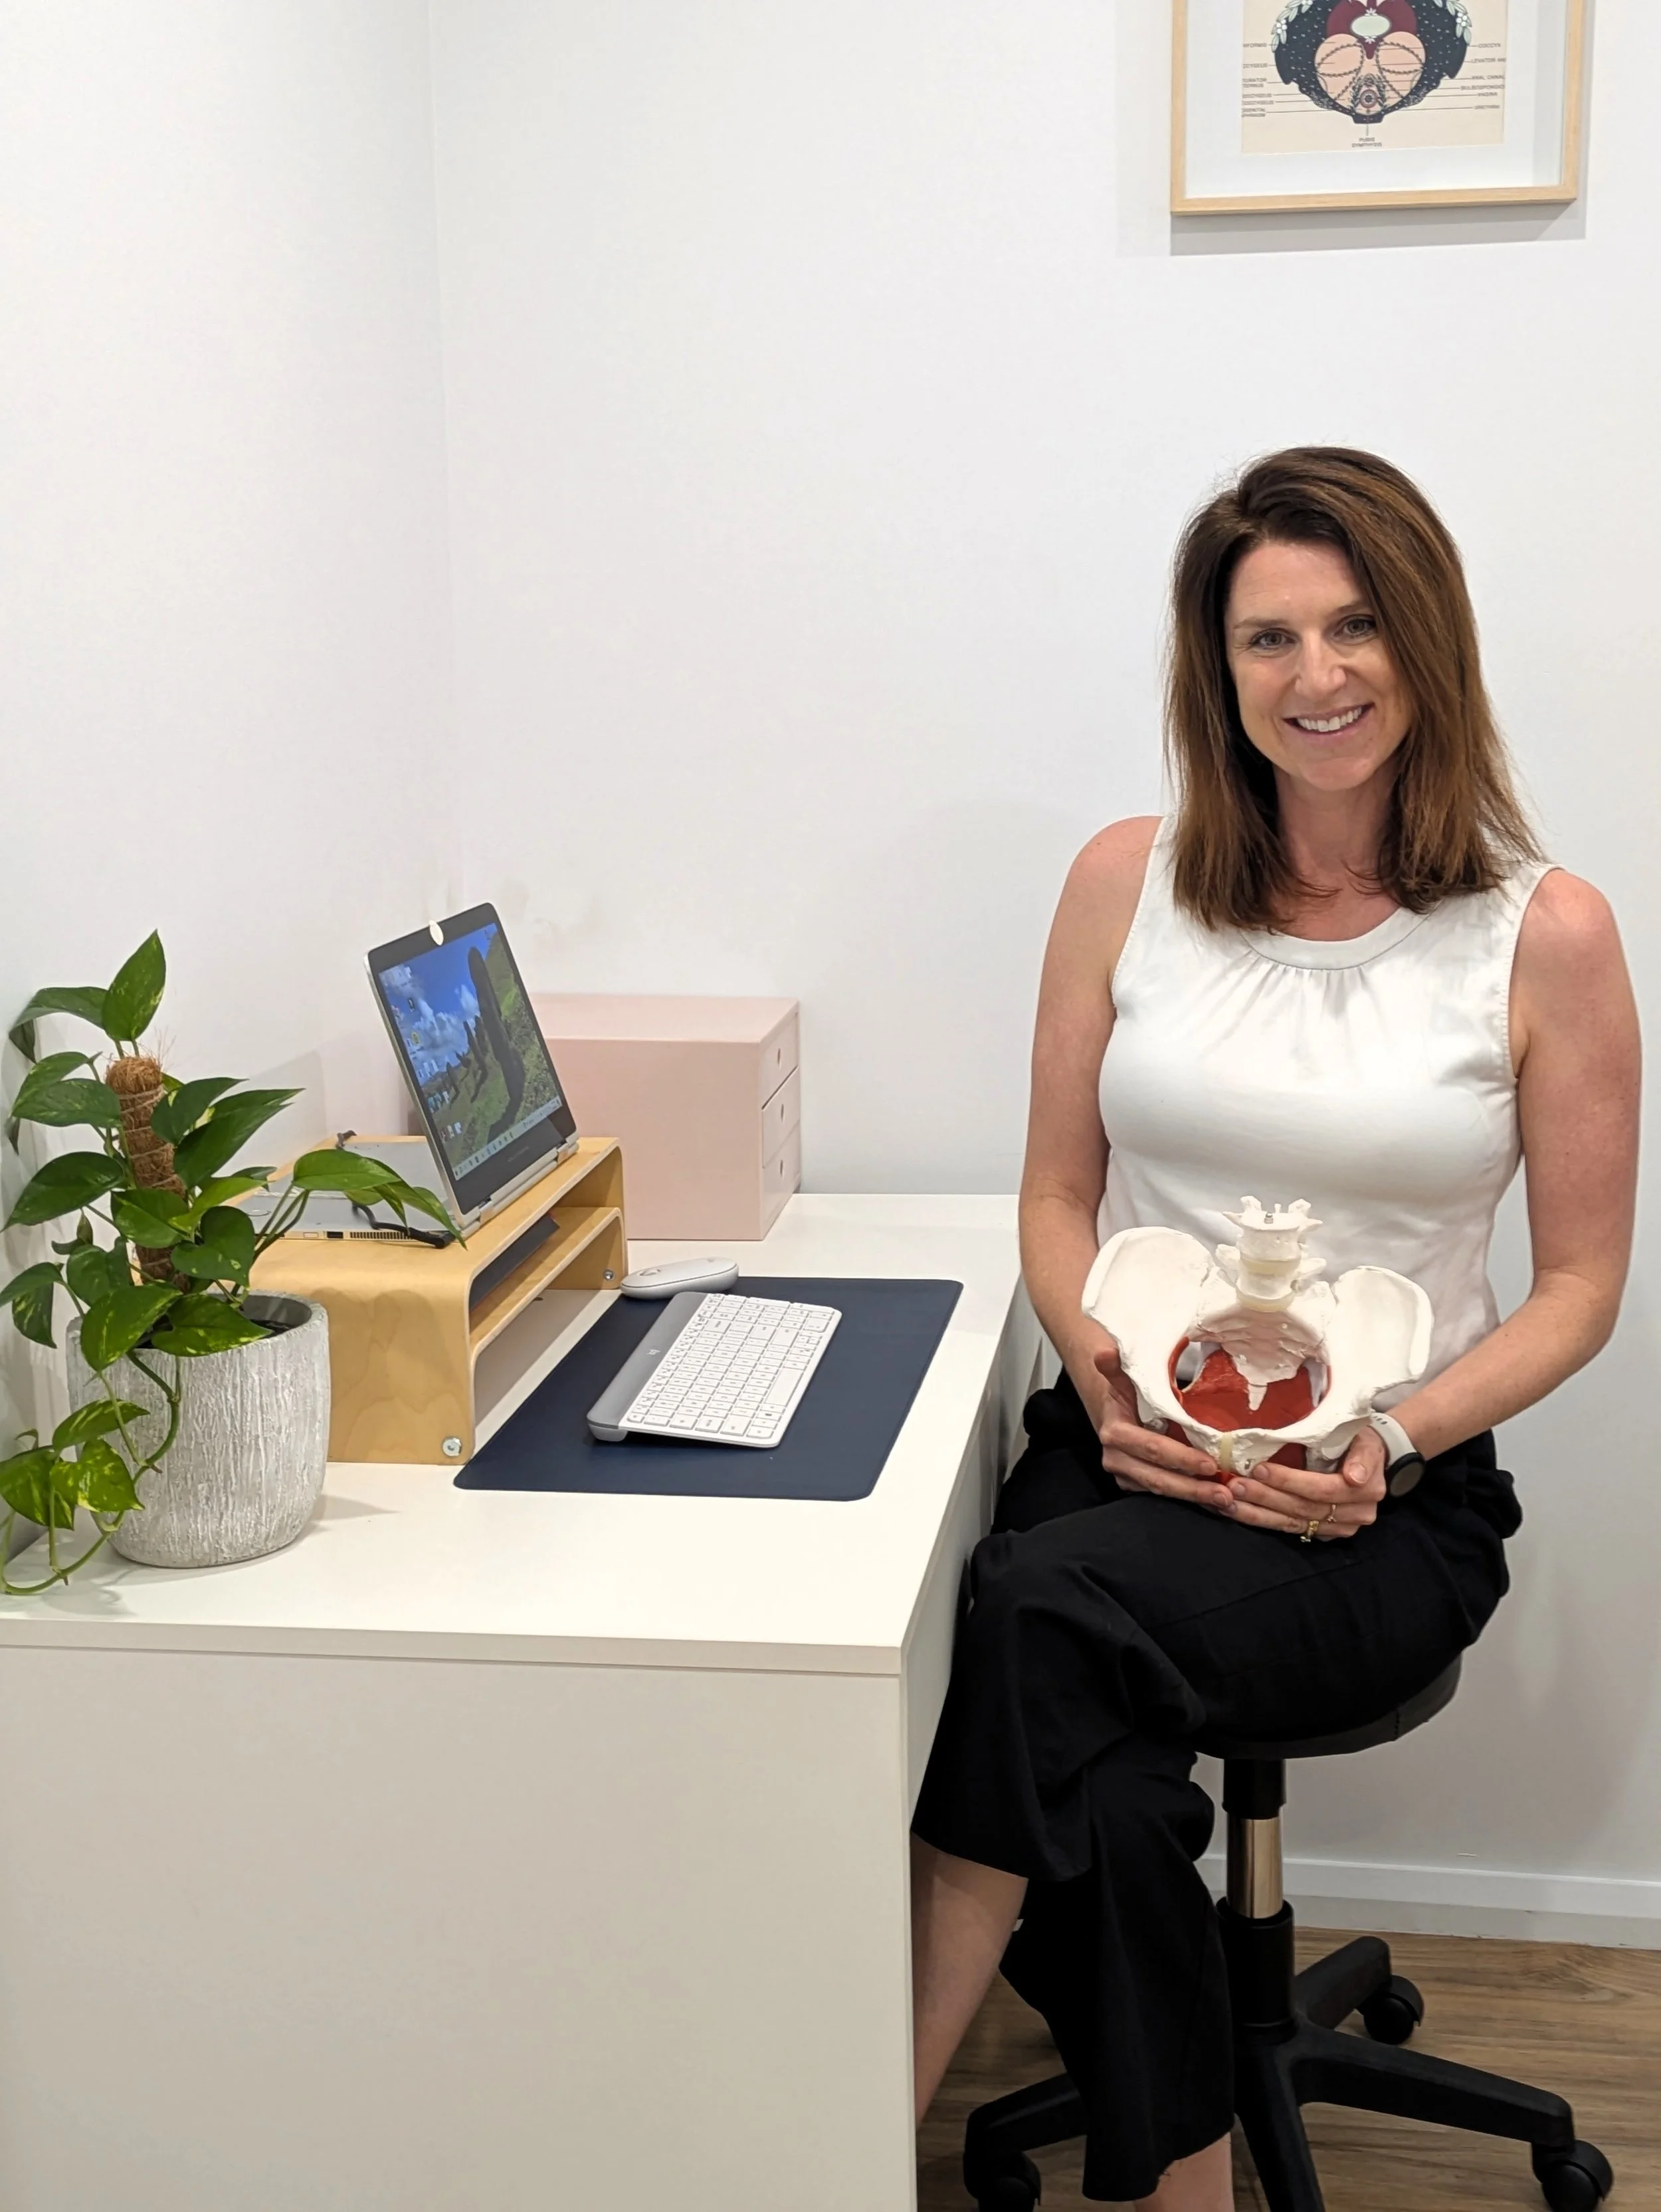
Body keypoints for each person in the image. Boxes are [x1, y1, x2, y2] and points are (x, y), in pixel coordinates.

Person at [909, 448, 1640, 2211]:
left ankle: (862, 2114)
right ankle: (1185, 2154)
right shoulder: (1121, 882)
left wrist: (1383, 1439)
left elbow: (1576, 1290)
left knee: (1029, 1623)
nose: (1314, 675)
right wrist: (1097, 1362)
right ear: (1211, 669)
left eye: (1352, 624)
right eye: (1265, 638)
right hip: (1128, 1442)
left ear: (1425, 644)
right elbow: (1055, 1195)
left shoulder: (1542, 937)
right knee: (1090, 1732)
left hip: (1376, 1501)